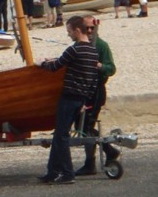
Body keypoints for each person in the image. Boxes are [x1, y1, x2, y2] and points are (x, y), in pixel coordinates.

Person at [37, 15, 99, 184]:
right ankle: (52, 171)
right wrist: (85, 102)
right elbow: (93, 79)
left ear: (77, 30)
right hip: (80, 99)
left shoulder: (75, 49)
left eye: (69, 31)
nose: (69, 35)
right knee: (59, 134)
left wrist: (41, 63)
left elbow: (55, 67)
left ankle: (67, 173)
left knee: (62, 136)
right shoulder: (93, 51)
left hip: (69, 97)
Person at [76, 17, 120, 175]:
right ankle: (106, 152)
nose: (89, 31)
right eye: (86, 28)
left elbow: (111, 68)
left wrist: (100, 66)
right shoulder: (78, 45)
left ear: (96, 29)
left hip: (96, 92)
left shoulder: (101, 46)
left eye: (91, 28)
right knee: (80, 127)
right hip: (83, 91)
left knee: (87, 126)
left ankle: (93, 162)